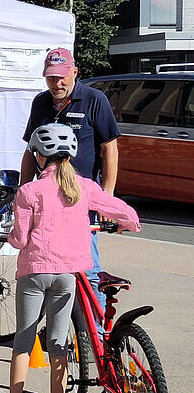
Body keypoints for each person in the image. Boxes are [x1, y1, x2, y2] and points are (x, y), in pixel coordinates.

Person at [4, 123, 140, 393]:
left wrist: (10, 234)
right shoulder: (84, 187)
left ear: (39, 156)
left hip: (34, 273)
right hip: (67, 275)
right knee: (58, 343)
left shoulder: (28, 192)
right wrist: (129, 225)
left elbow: (20, 238)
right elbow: (125, 214)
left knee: (23, 343)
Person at [20, 48, 120, 324]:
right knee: (48, 268)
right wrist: (22, 189)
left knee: (87, 268)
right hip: (46, 202)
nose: (57, 84)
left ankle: (96, 336)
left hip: (80, 199)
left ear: (75, 72)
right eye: (51, 78)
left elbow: (110, 149)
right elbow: (30, 151)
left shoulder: (93, 100)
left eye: (62, 77)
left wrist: (107, 197)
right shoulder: (41, 103)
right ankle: (58, 331)